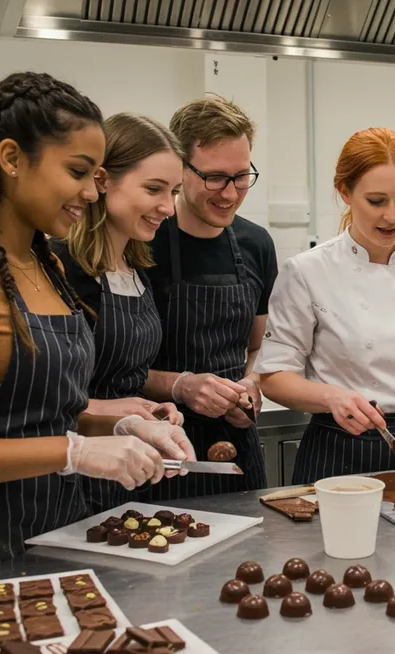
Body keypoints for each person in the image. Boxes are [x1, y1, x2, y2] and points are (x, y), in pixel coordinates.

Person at [0, 72, 191, 653]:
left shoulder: (45, 263)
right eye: (77, 173)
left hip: (59, 536)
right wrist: (75, 451)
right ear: (10, 159)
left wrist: (121, 426)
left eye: (97, 177)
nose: (93, 193)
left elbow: (49, 409)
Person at [255, 127, 395, 484]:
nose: (392, 216)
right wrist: (331, 397)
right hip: (337, 447)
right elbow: (274, 377)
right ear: (345, 192)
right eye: (376, 201)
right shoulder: (307, 272)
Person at [141, 95, 278, 496]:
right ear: (180, 169)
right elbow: (111, 372)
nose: (230, 193)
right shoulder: (144, 240)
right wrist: (181, 385)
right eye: (215, 177)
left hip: (237, 448)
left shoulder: (256, 244)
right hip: (159, 449)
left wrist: (251, 385)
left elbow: (260, 346)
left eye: (241, 176)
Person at [55, 112, 191, 512]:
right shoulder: (62, 268)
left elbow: (120, 375)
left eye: (175, 191)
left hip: (124, 476)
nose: (168, 207)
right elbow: (44, 398)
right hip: (72, 474)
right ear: (103, 181)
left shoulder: (137, 271)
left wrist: (147, 407)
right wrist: (112, 413)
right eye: (154, 189)